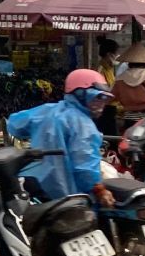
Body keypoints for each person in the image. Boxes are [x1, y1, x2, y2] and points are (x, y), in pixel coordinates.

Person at [6, 69, 115, 201]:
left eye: (104, 98)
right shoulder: (84, 125)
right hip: (64, 195)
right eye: (97, 97)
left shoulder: (47, 109)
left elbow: (15, 125)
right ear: (80, 94)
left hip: (34, 184)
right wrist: (100, 191)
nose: (102, 104)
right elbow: (85, 168)